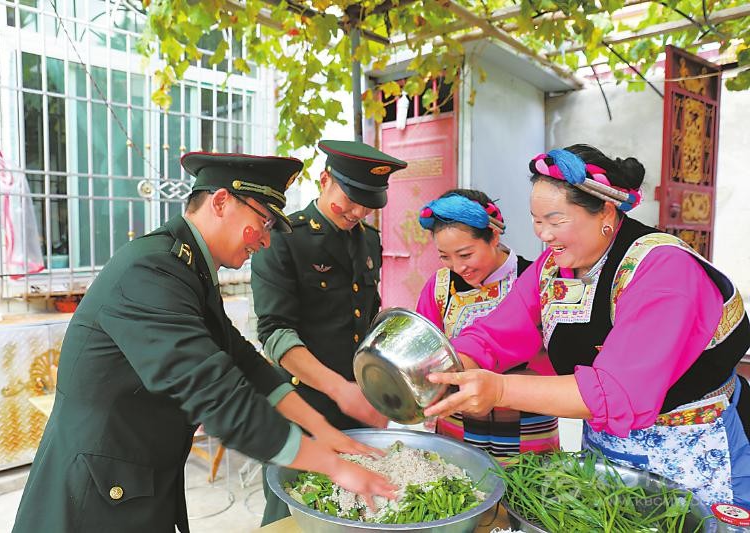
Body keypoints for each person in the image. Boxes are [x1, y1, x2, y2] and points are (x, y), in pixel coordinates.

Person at [12, 152, 397, 533]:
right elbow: (215, 393)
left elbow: (244, 361)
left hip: (132, 483)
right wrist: (333, 467)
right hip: (92, 497)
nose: (266, 240)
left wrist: (323, 430)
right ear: (221, 202)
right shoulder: (151, 271)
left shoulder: (189, 268)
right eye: (263, 222)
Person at [424, 144, 750, 507]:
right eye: (536, 220)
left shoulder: (664, 269)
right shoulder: (552, 268)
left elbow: (617, 392)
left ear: (606, 211)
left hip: (694, 447)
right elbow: (496, 333)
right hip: (606, 448)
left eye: (556, 220)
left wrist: (499, 390)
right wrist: (452, 367)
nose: (543, 234)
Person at [251, 139, 407, 525]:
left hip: (357, 404)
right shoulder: (284, 237)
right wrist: (340, 391)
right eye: (350, 200)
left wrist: (383, 388)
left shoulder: (368, 240)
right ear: (324, 180)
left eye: (368, 204)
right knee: (292, 510)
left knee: (356, 509)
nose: (358, 212)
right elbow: (274, 332)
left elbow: (366, 320)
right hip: (302, 406)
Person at [415, 189, 559, 461]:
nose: (458, 267)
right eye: (445, 256)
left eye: (465, 254)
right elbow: (425, 350)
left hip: (528, 422)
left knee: (526, 486)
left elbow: (556, 360)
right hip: (458, 421)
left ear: (493, 236)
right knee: (460, 483)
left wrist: (503, 388)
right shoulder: (440, 287)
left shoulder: (535, 279)